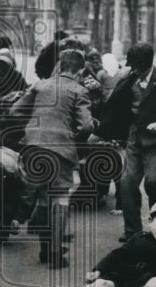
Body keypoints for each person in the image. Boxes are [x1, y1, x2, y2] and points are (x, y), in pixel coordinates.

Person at [11, 48, 94, 268]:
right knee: (59, 199)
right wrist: (73, 135)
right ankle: (55, 255)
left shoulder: (41, 85)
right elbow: (86, 125)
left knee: (43, 199)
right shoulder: (79, 90)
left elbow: (15, 111)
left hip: (33, 146)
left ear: (60, 65)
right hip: (60, 150)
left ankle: (44, 249)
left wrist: (34, 128)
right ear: (80, 70)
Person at [97, 44, 156, 242]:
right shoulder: (130, 80)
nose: (133, 69)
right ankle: (132, 232)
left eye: (137, 66)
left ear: (147, 64)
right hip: (135, 138)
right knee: (127, 183)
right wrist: (103, 131)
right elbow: (115, 106)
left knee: (154, 182)